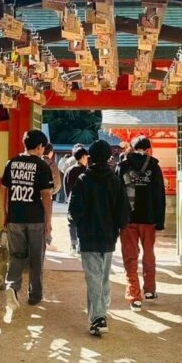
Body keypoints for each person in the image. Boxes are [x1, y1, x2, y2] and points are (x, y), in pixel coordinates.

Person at [67, 140, 129, 336]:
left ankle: (99, 317)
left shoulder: (83, 180)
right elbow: (124, 212)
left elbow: (74, 211)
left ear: (91, 158)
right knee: (103, 277)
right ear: (109, 158)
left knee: (93, 277)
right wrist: (118, 226)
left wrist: (73, 223)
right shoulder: (116, 181)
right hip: (109, 237)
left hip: (88, 236)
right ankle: (99, 314)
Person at [1, 129, 54, 307]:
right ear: (39, 147)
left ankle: (12, 286)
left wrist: (5, 214)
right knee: (36, 258)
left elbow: (4, 191)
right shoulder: (42, 166)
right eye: (43, 148)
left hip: (15, 217)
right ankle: (35, 295)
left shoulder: (11, 163)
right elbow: (46, 195)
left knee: (16, 255)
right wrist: (49, 221)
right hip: (36, 219)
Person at [117, 135, 166, 311]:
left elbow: (117, 194)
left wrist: (116, 219)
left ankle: (134, 296)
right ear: (148, 149)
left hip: (127, 218)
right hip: (149, 218)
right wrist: (159, 221)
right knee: (149, 253)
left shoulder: (122, 167)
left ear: (132, 147)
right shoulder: (154, 167)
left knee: (130, 257)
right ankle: (150, 290)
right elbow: (160, 196)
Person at [63, 145, 88, 254]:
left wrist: (69, 198)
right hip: (85, 202)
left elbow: (66, 186)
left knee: (72, 223)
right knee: (83, 224)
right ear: (83, 157)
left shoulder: (69, 170)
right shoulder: (87, 171)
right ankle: (81, 247)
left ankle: (73, 245)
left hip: (72, 201)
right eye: (87, 157)